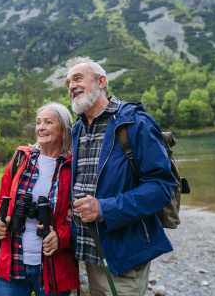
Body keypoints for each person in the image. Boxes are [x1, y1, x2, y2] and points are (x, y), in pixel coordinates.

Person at [65, 56, 176, 296]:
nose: (71, 86)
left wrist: (104, 209)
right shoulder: (77, 129)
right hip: (89, 253)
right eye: (67, 83)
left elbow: (161, 187)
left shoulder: (135, 122)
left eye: (77, 78)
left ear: (101, 81)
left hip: (125, 252)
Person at [0, 102, 80, 295]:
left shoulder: (74, 168)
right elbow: (1, 200)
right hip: (11, 262)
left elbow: (78, 218)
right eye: (38, 123)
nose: (41, 127)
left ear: (64, 131)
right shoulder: (21, 159)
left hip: (53, 266)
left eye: (48, 122)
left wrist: (60, 237)